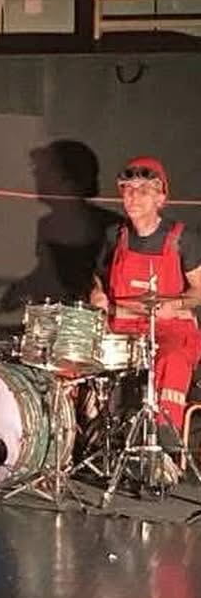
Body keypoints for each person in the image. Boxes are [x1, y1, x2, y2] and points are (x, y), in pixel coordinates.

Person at [90, 156, 201, 445]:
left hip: (169, 328)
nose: (133, 197)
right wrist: (96, 292)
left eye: (142, 191)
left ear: (160, 198)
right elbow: (98, 277)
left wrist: (176, 305)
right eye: (127, 190)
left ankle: (162, 447)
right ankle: (86, 440)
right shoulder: (115, 236)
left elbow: (200, 290)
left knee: (172, 360)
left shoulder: (182, 239)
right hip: (122, 325)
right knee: (76, 352)